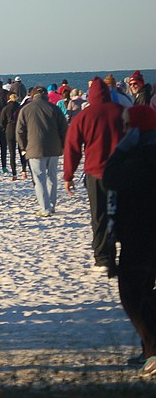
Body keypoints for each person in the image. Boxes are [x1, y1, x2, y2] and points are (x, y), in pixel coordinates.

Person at [102, 105, 156, 379]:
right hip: (140, 232)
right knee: (144, 291)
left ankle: (153, 352)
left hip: (141, 233)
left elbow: (110, 178)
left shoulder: (142, 155)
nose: (122, 130)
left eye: (127, 126)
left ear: (136, 129)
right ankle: (148, 350)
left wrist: (122, 148)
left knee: (133, 295)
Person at [63, 76, 125, 269]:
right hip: (121, 171)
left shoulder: (84, 116)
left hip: (95, 172)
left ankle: (102, 256)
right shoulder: (122, 112)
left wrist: (68, 176)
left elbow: (72, 148)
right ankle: (121, 252)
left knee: (98, 215)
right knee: (120, 213)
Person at [16, 86, 68, 217]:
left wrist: (22, 147)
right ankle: (52, 204)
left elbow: (20, 131)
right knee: (52, 176)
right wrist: (63, 144)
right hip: (54, 147)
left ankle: (45, 208)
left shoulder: (26, 109)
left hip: (34, 148)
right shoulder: (54, 108)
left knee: (39, 178)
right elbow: (64, 128)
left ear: (32, 95)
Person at [0, 93, 28, 180]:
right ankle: (24, 171)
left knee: (12, 153)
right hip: (19, 129)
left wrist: (3, 129)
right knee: (22, 151)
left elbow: (1, 122)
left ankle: (14, 174)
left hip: (9, 129)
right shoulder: (20, 108)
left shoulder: (6, 108)